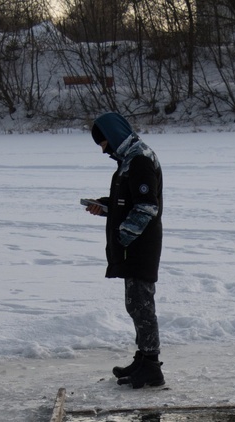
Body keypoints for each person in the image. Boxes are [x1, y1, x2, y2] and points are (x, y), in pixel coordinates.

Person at [87, 112, 165, 389]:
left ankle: (152, 367)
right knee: (135, 304)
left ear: (113, 136)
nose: (103, 149)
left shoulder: (140, 160)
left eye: (103, 143)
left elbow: (146, 206)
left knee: (141, 305)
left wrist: (124, 235)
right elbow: (128, 201)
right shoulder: (129, 160)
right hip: (135, 245)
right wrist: (105, 207)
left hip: (141, 245)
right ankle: (144, 358)